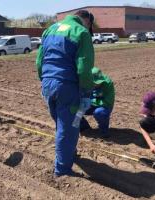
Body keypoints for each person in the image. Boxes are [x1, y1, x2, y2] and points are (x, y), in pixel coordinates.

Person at [36, 10, 95, 177]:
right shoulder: (81, 32)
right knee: (68, 128)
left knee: (60, 123)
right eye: (89, 26)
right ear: (87, 22)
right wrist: (86, 92)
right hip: (67, 86)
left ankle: (68, 153)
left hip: (48, 84)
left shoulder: (50, 29)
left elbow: (39, 61)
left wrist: (45, 81)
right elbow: (84, 67)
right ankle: (62, 170)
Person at [80, 67, 115, 138]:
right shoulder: (84, 83)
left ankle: (104, 132)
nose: (97, 84)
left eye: (98, 82)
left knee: (100, 112)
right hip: (90, 103)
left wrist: (90, 101)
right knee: (75, 109)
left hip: (104, 106)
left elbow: (108, 102)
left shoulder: (108, 83)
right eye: (95, 83)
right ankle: (84, 128)